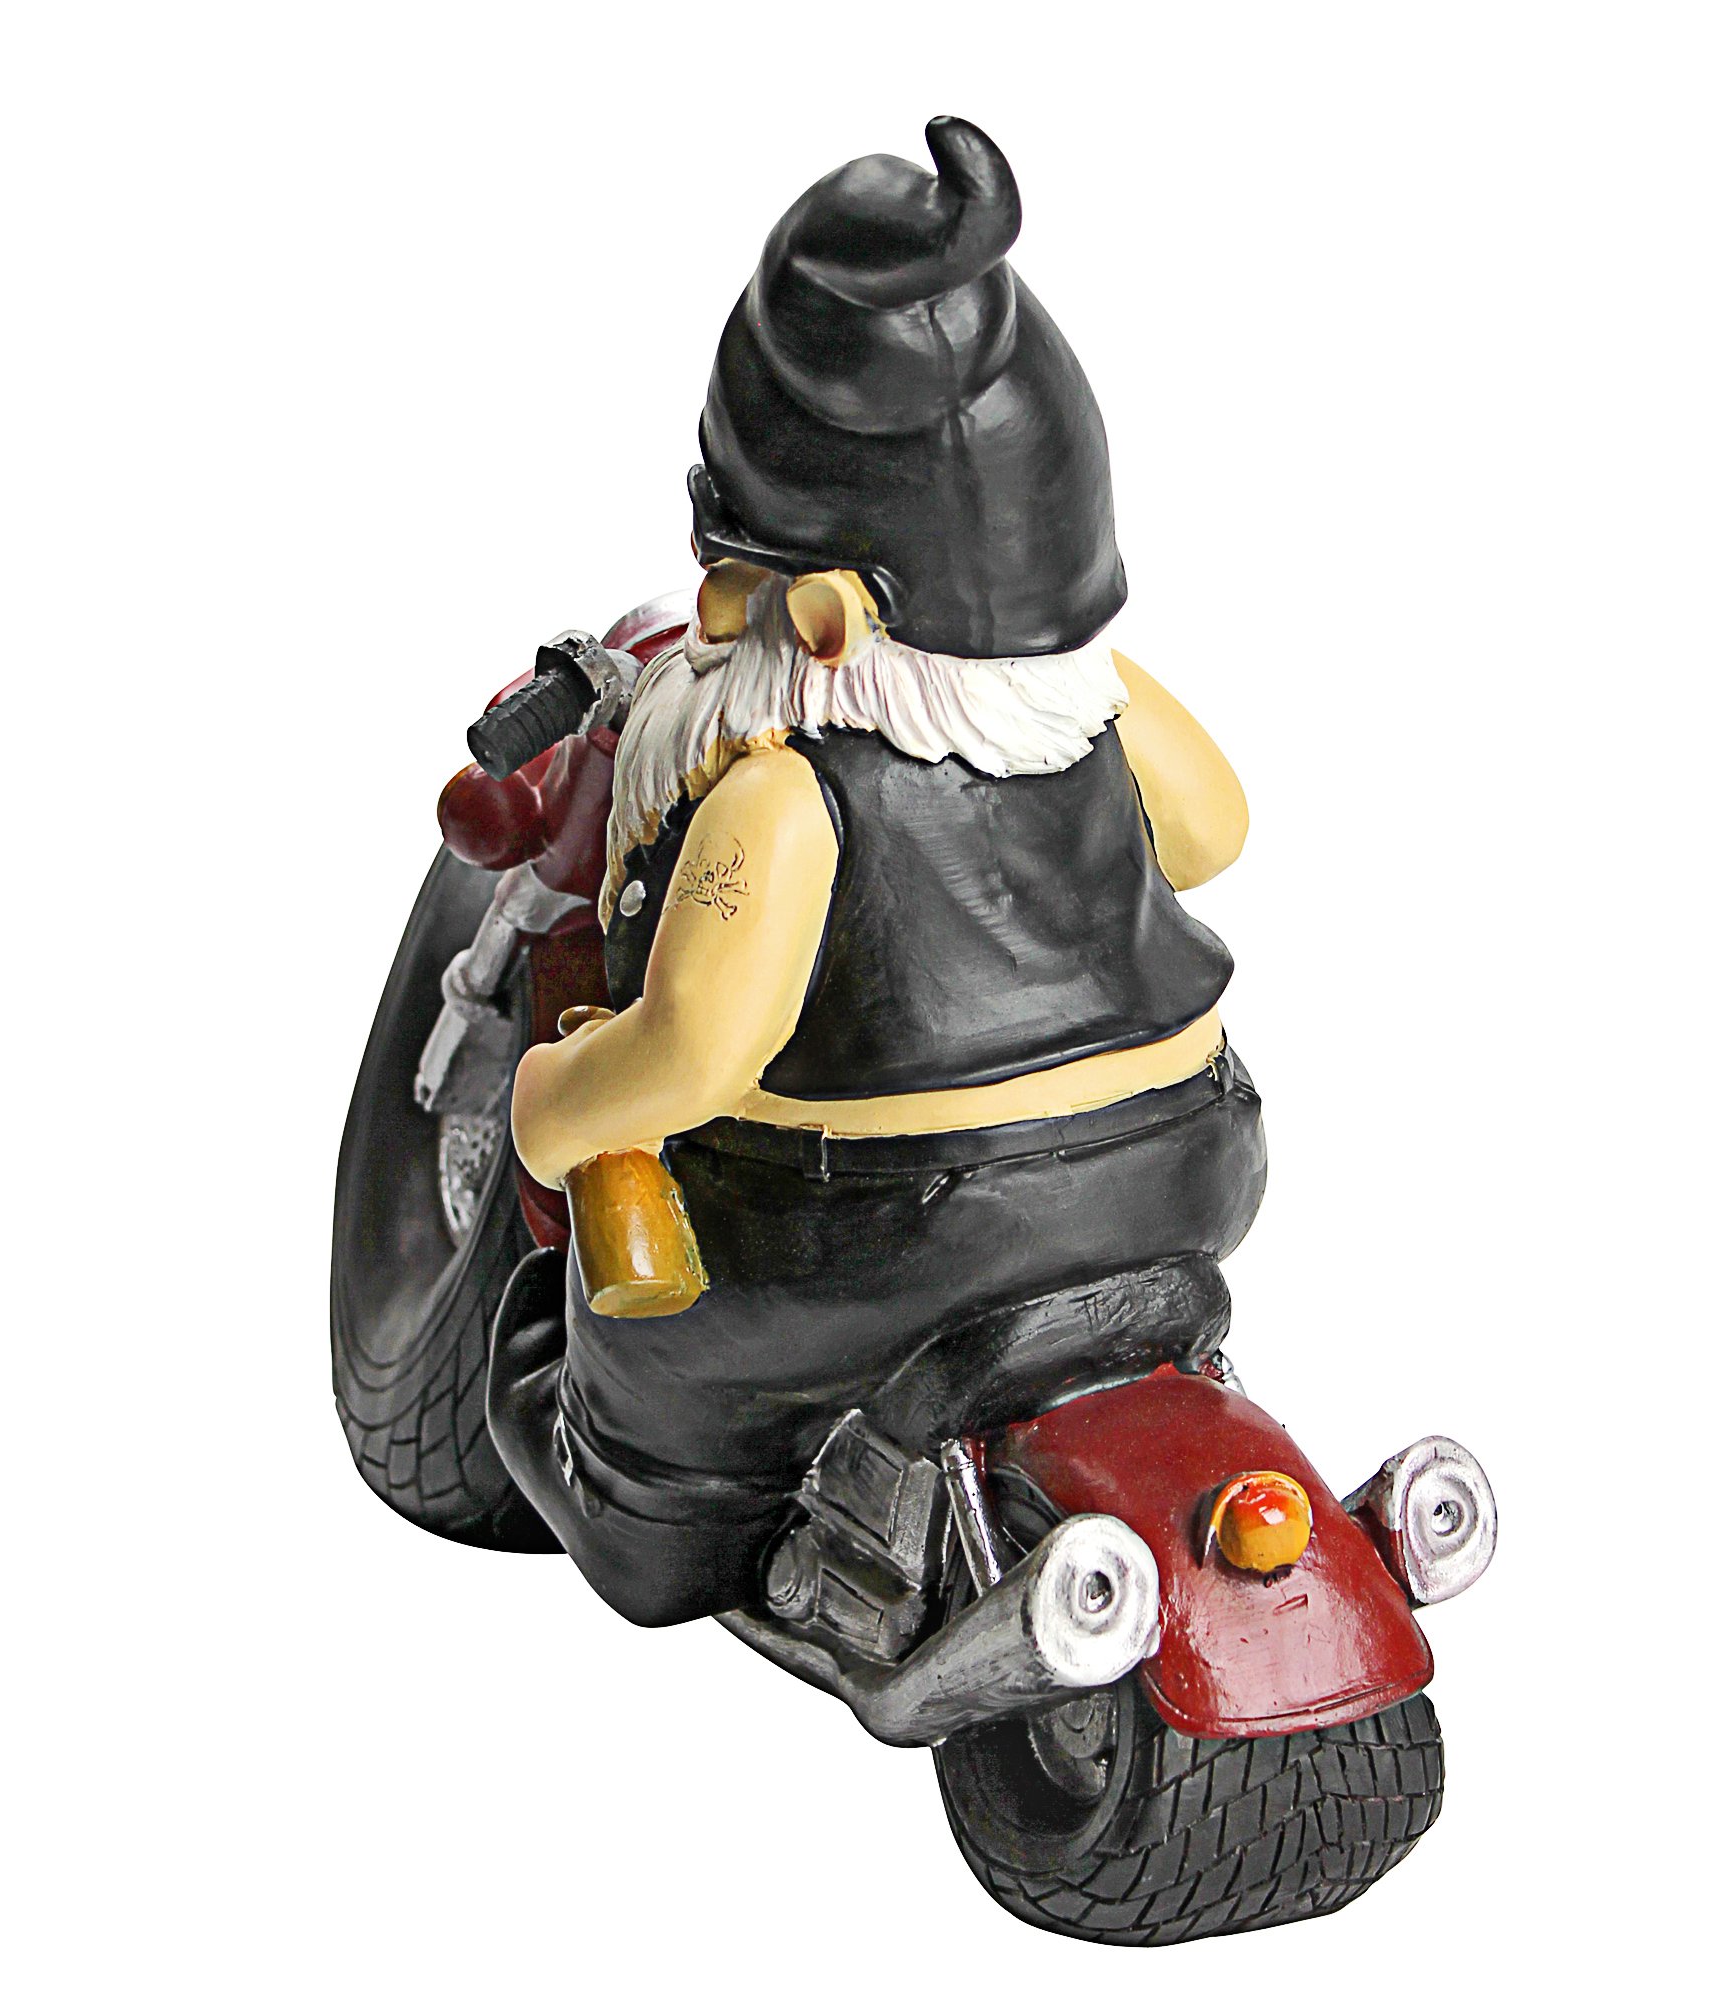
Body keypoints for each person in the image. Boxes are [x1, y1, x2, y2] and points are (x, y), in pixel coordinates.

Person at [487, 119, 1266, 1626]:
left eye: (735, 575)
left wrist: (550, 1106)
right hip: (1182, 1166)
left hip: (882, 1239)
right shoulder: (1095, 704)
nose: (718, 613)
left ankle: (672, 1520)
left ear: (829, 620)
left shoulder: (786, 795)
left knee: (638, 1474)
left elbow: (692, 1053)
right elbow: (1218, 831)